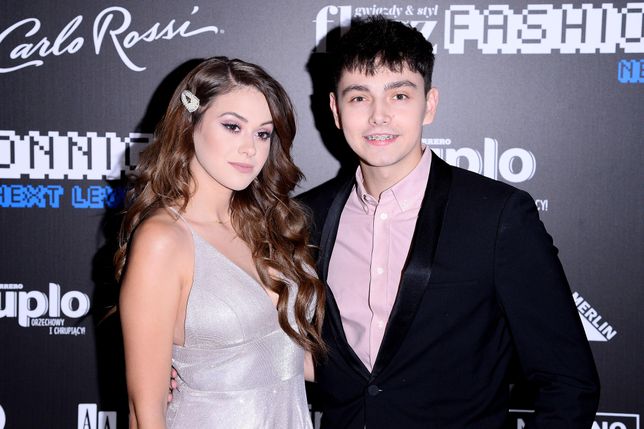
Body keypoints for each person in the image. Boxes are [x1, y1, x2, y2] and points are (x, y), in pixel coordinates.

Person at [298, 16, 600, 428]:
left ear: (430, 104)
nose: (379, 116)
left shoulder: (497, 216)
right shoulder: (304, 218)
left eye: (399, 95)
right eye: (359, 98)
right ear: (336, 110)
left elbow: (568, 382)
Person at [116, 56, 325, 428]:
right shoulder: (163, 240)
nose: (250, 148)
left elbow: (289, 357)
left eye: (263, 134)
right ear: (189, 122)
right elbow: (144, 412)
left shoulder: (269, 226)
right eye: (232, 127)